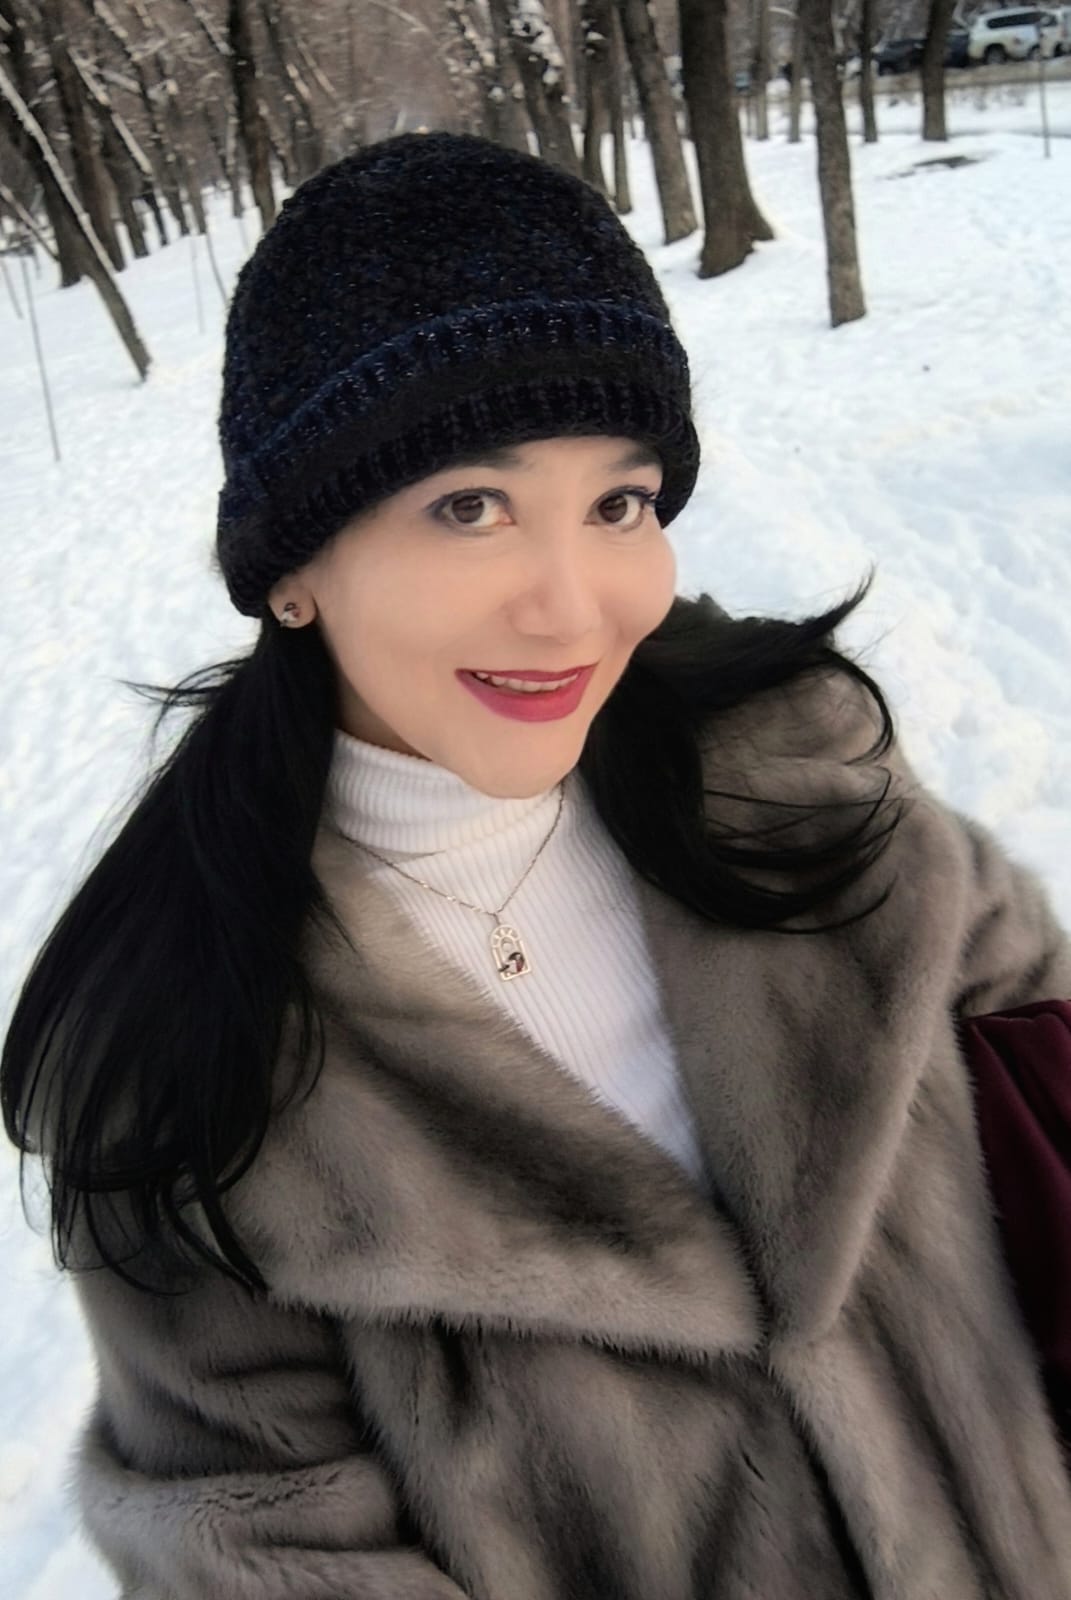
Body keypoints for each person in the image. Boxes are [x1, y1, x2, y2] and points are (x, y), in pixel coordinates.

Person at [3, 130, 1070, 1600]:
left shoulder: (812, 786)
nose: (574, 608)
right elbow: (255, 1542)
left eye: (619, 503)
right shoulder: (187, 1069)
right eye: (470, 506)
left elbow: (1048, 1101)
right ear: (292, 566)